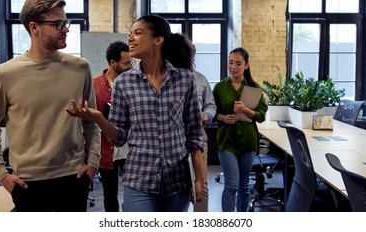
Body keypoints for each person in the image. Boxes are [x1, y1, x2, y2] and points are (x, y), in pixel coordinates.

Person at [66, 15, 205, 212]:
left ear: (158, 39)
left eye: (138, 33)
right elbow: (119, 137)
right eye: (130, 33)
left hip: (177, 181)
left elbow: (194, 133)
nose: (130, 38)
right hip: (139, 179)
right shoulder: (124, 83)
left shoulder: (184, 79)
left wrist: (199, 179)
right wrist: (98, 117)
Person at [0, 0, 101, 212]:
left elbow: (91, 122)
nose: (66, 29)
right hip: (28, 183)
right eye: (57, 24)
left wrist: (93, 162)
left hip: (74, 177)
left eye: (66, 22)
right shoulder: (5, 74)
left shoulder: (80, 67)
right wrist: (2, 175)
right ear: (34, 27)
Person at [212, 47, 267, 212]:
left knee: (244, 186)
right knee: (231, 185)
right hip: (226, 141)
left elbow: (261, 115)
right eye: (230, 63)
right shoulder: (220, 88)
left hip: (248, 142)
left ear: (246, 65)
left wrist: (246, 110)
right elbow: (211, 111)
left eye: (238, 63)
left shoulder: (253, 88)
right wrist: (222, 117)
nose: (233, 67)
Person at [166, 40, 216, 212]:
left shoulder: (200, 79)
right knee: (175, 184)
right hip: (174, 137)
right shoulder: (165, 78)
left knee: (201, 183)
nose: (191, 60)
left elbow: (210, 105)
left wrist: (206, 115)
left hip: (198, 134)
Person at [93, 40, 132, 212]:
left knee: (133, 192)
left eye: (131, 62)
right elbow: (88, 118)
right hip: (106, 147)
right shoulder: (95, 85)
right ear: (112, 63)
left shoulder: (133, 83)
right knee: (110, 193)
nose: (130, 66)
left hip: (130, 146)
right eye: (126, 63)